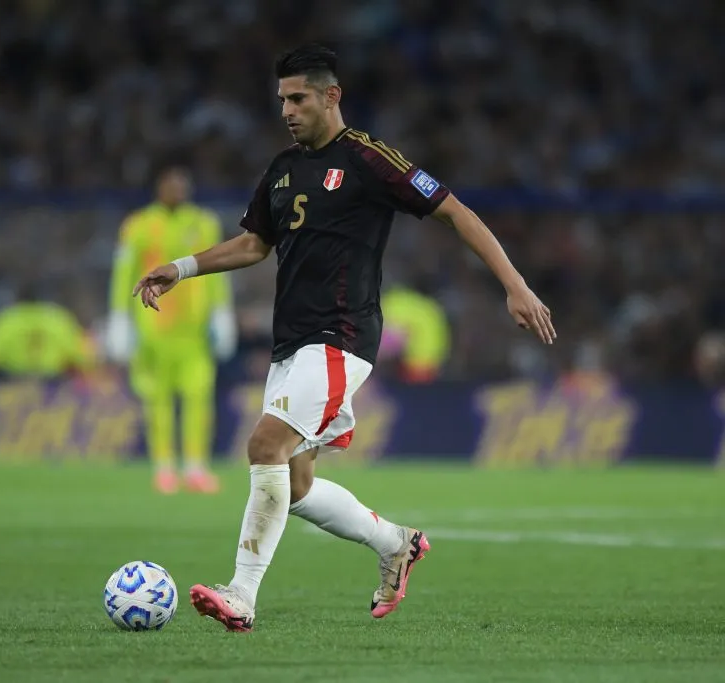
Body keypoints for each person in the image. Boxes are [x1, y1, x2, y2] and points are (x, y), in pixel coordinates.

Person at [132, 44, 556, 631]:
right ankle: (396, 543)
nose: (287, 110)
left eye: (298, 98)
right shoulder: (282, 168)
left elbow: (455, 211)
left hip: (341, 335)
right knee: (296, 484)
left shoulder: (369, 159)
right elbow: (254, 244)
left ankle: (242, 595)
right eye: (282, 100)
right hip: (291, 343)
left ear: (331, 96)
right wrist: (180, 268)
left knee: (264, 446)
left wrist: (515, 285)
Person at [107, 165, 237, 494]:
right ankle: (164, 467)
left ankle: (195, 467)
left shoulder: (204, 222)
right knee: (157, 400)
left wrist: (222, 311)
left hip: (194, 331)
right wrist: (119, 316)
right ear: (159, 189)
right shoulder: (138, 225)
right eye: (172, 186)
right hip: (153, 329)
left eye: (183, 186)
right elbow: (124, 272)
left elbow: (218, 270)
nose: (178, 191)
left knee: (198, 398)